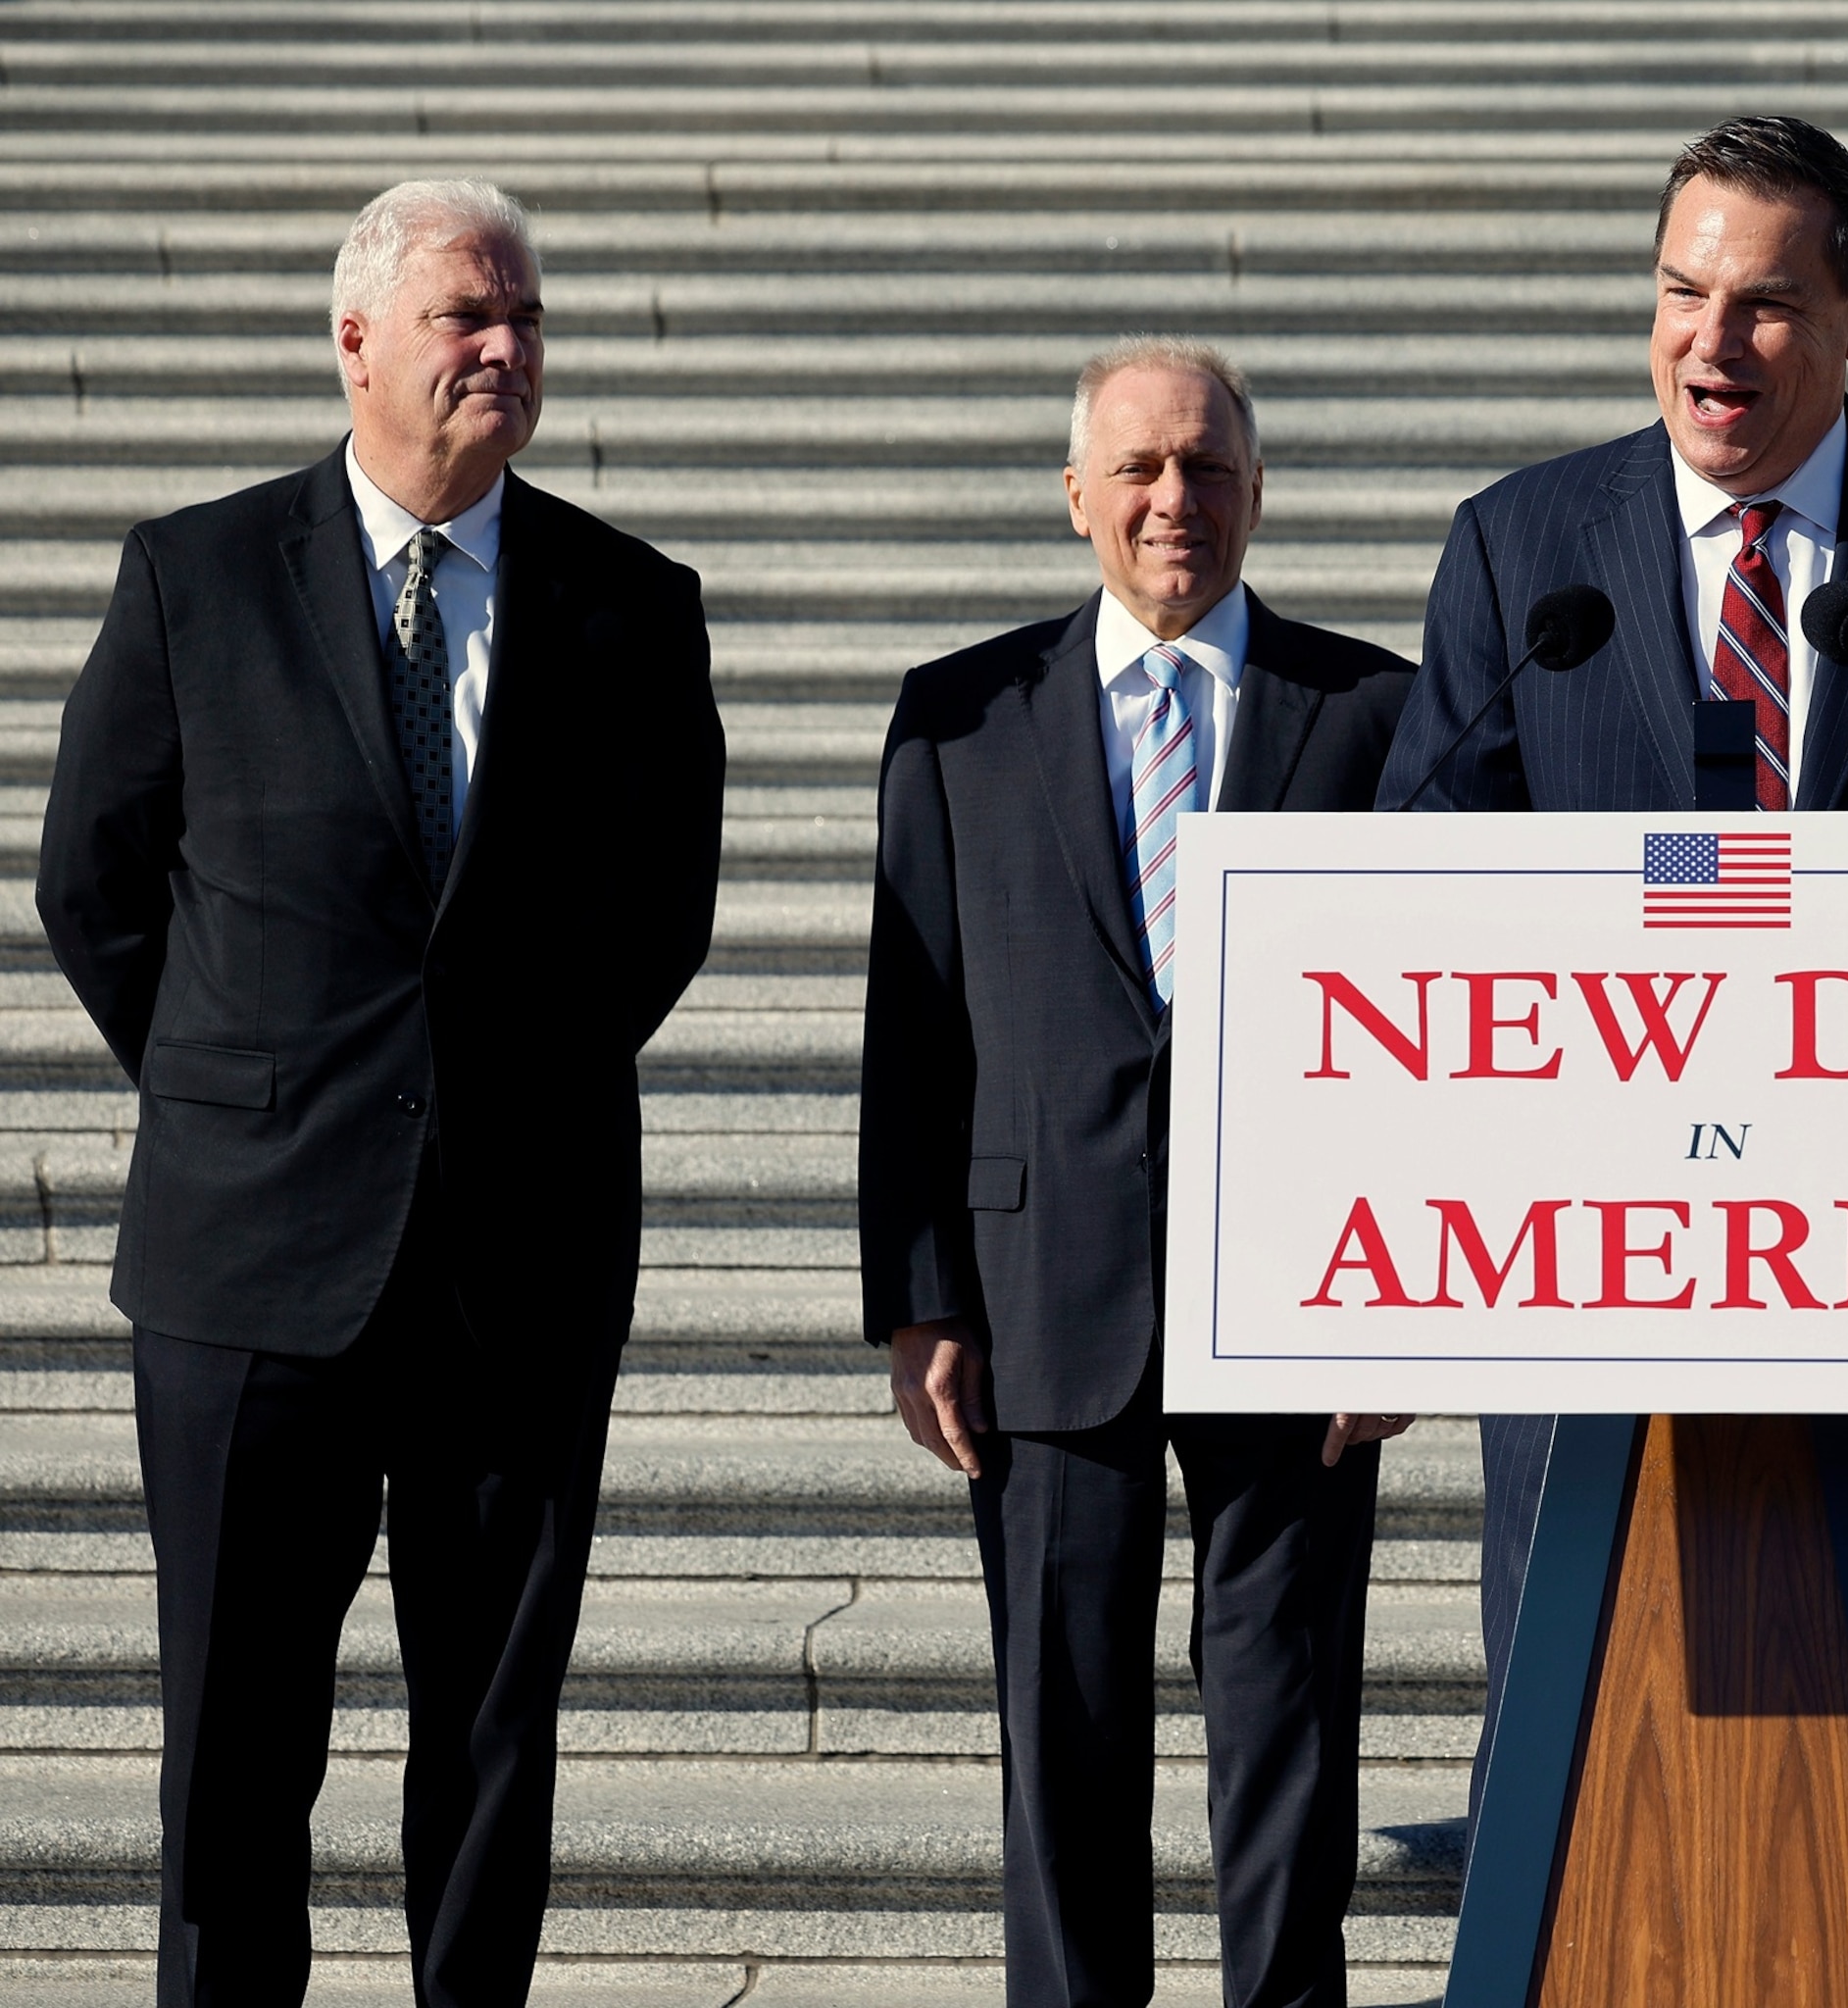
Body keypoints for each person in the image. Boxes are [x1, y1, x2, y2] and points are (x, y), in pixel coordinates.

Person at [1375, 114, 1848, 1818]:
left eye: (1767, 304)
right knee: (1583, 1775)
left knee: (1840, 1799)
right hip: (1596, 1269)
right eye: (1680, 292)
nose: (1711, 344)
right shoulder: (1524, 546)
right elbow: (1417, 902)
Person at [37, 178, 725, 2008]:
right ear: (355, 342)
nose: (504, 346)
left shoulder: (633, 608)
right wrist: (248, 1094)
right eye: (462, 316)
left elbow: (664, 910)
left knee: (493, 1749)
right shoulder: (195, 576)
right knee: (232, 1750)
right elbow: (93, 885)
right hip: (250, 1274)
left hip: (518, 1265)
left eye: (525, 318)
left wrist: (488, 1097)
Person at [861, 337, 1417, 2008]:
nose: (1179, 502)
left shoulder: (1375, 713)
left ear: (1260, 489)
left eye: (1213, 469)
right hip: (1044, 1293)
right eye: (1144, 471)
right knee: (1064, 1726)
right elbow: (918, 1026)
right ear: (1078, 497)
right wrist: (920, 1295)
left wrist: (1400, 1303)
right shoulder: (961, 716)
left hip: (1300, 1299)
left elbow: (1434, 1024)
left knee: (1291, 1725)